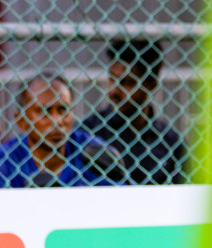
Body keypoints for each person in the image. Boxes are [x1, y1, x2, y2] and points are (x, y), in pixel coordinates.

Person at [0, 74, 123, 188]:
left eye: (63, 110)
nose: (57, 121)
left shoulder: (90, 150)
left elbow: (126, 199)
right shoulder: (4, 160)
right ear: (22, 121)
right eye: (44, 111)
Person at [81, 39, 189, 185]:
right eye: (112, 79)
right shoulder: (89, 133)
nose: (114, 90)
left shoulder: (171, 144)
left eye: (126, 82)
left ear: (151, 85)